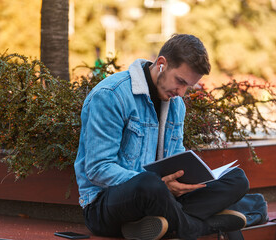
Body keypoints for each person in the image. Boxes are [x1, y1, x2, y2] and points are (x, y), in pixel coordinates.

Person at [74, 34, 249, 240]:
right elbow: (98, 169)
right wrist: (161, 184)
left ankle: (158, 224)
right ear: (162, 64)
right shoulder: (110, 95)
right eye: (180, 81)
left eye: (188, 86)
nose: (182, 93)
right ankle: (197, 226)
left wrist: (184, 182)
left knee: (237, 179)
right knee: (149, 183)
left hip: (162, 199)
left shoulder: (177, 105)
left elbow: (175, 162)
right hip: (106, 205)